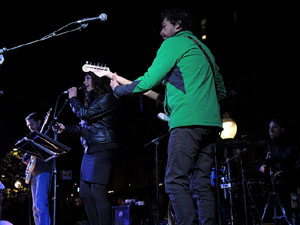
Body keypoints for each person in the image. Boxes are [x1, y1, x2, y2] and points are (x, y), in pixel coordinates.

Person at [110, 8, 226, 225]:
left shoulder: (173, 44)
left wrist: (119, 90)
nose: (161, 32)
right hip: (211, 124)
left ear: (178, 25)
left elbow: (147, 81)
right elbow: (221, 89)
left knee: (174, 181)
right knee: (201, 183)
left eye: (164, 26)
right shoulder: (205, 50)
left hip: (187, 123)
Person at [54, 71, 118, 225]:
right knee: (84, 193)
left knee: (97, 193)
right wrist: (66, 128)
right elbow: (83, 128)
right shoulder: (94, 101)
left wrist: (73, 99)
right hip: (90, 150)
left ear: (98, 81)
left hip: (102, 148)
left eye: (88, 78)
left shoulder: (107, 98)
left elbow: (85, 115)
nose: (84, 82)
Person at [259, 117, 300, 224]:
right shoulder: (268, 145)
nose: (271, 131)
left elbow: (297, 166)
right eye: (269, 128)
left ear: (282, 129)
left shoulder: (292, 145)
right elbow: (264, 162)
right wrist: (261, 167)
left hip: (289, 185)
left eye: (275, 127)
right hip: (273, 186)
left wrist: (285, 172)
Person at [22, 112, 53, 225]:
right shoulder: (33, 137)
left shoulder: (47, 133)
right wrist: (25, 158)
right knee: (35, 207)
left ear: (40, 122)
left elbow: (49, 152)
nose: (30, 127)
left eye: (32, 124)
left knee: (40, 204)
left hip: (44, 171)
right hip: (34, 172)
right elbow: (28, 152)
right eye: (28, 125)